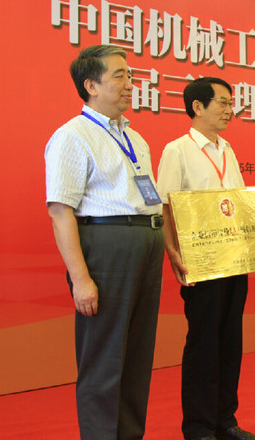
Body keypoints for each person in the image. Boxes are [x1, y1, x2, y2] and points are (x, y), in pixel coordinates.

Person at [45, 45, 165, 439]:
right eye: (119, 75)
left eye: (130, 75)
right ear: (91, 85)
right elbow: (60, 211)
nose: (130, 84)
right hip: (106, 246)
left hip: (146, 241)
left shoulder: (136, 138)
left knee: (136, 355)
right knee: (103, 358)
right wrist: (81, 278)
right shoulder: (72, 136)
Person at [156, 77, 255, 440]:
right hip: (200, 264)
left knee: (230, 341)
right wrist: (172, 252)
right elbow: (165, 207)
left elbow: (239, 205)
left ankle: (225, 420)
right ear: (197, 107)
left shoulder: (228, 150)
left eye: (231, 103)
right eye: (222, 102)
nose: (230, 110)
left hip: (235, 260)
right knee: (204, 344)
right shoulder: (177, 150)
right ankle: (199, 427)